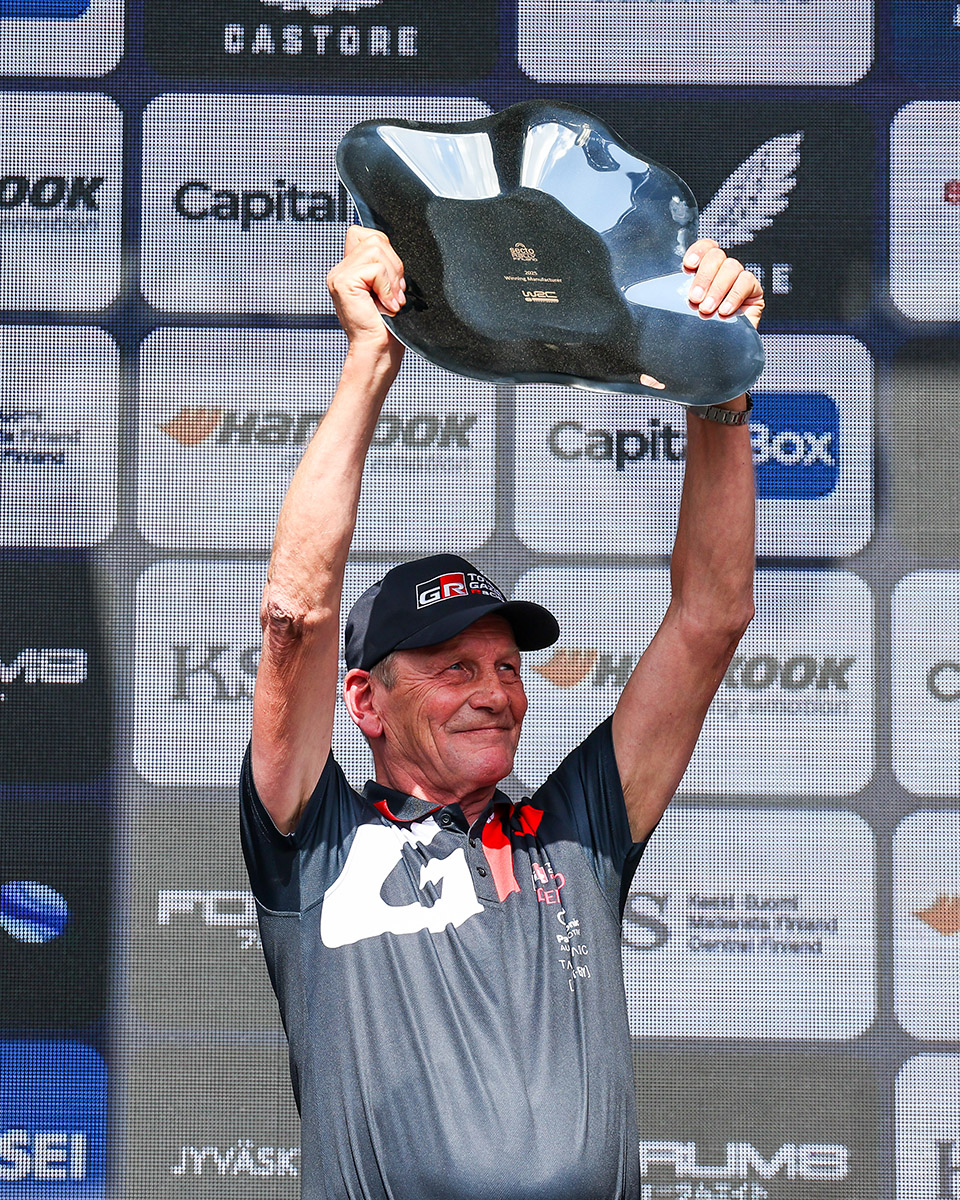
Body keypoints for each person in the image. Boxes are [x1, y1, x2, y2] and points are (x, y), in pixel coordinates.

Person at [240, 226, 761, 1200]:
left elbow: (711, 617)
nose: (495, 692)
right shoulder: (316, 840)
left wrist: (719, 390)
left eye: (507, 666)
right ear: (365, 699)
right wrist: (369, 361)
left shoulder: (576, 833)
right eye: (453, 668)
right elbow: (296, 618)